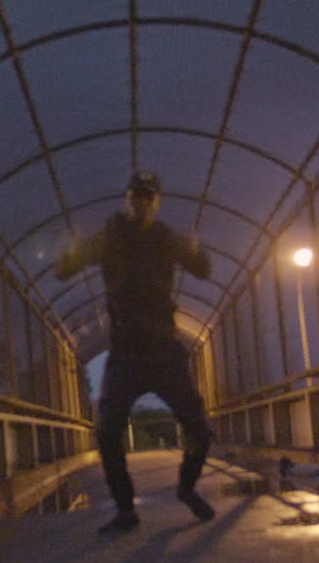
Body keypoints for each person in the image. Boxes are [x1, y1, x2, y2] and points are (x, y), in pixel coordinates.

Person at [56, 171, 215, 534]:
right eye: (135, 196)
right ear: (127, 200)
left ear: (156, 203)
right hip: (126, 353)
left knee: (201, 431)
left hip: (165, 352)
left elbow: (203, 270)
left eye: (148, 197)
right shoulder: (108, 238)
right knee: (107, 431)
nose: (140, 202)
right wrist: (69, 253)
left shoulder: (166, 239)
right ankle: (125, 509)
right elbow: (63, 271)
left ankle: (187, 488)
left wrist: (196, 252)